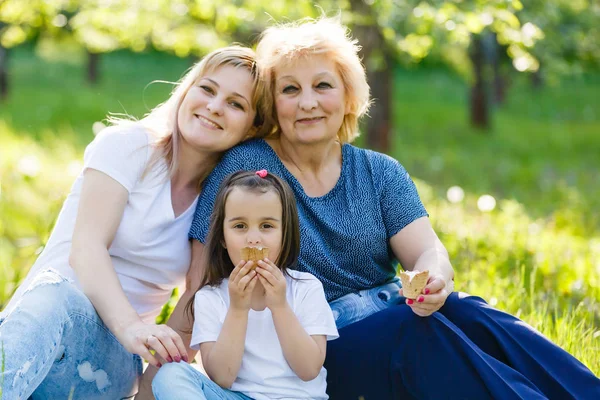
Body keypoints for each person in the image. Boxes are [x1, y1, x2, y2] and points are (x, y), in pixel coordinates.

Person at [183, 17, 600, 400]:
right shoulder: (248, 168)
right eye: (290, 89)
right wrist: (165, 361)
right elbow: (202, 276)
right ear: (273, 103)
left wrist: (435, 277)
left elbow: (427, 251)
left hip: (388, 311)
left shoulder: (379, 171)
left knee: (466, 311)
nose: (307, 101)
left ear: (348, 97)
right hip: (310, 345)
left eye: (323, 86)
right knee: (414, 333)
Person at [0, 45, 272, 399]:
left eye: (236, 104)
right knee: (55, 295)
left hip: (107, 364)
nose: (215, 106)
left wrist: (147, 388)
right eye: (207, 89)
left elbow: (195, 296)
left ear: (252, 129)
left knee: (55, 297)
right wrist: (131, 326)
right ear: (187, 90)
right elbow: (86, 249)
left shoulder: (220, 201)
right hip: (36, 332)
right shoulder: (129, 146)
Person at [151, 170, 338, 400]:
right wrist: (238, 310)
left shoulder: (307, 289)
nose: (253, 238)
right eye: (240, 226)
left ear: (284, 233)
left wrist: (280, 306)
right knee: (170, 375)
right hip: (237, 396)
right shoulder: (210, 298)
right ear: (222, 238)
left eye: (267, 226)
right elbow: (222, 377)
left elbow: (309, 369)